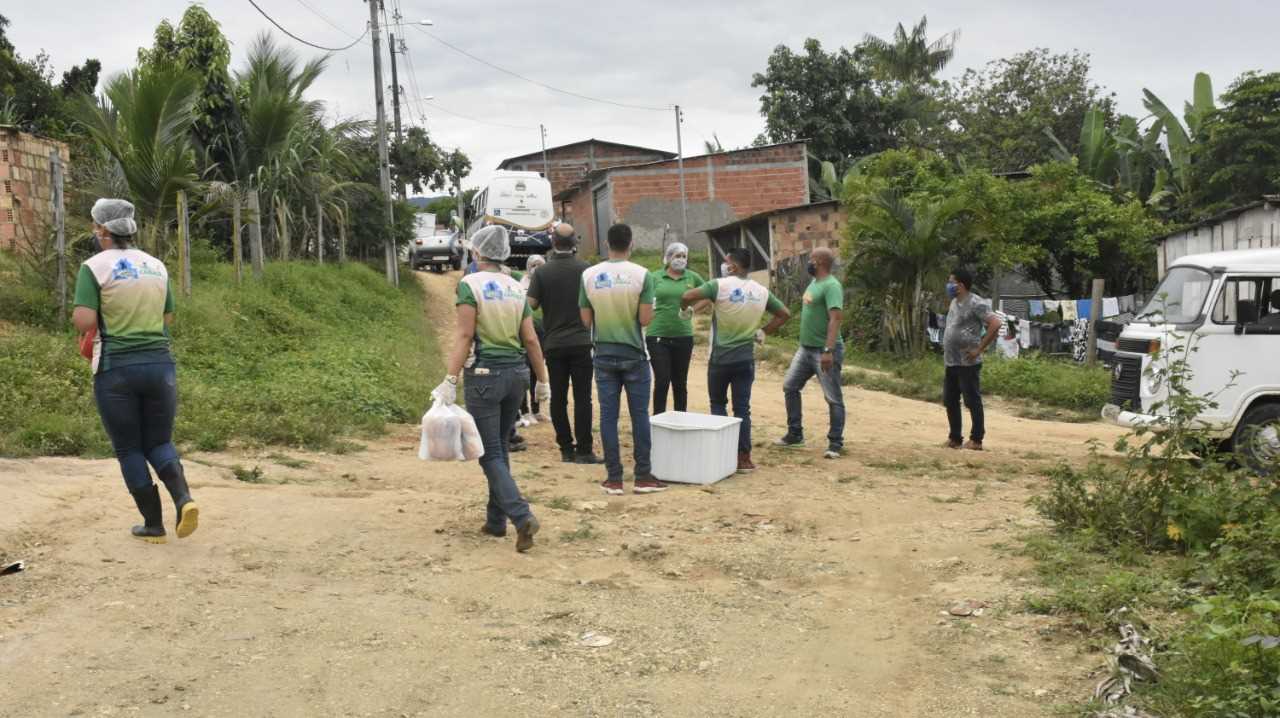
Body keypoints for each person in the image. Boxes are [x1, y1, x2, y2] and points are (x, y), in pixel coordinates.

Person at [71, 199, 198, 544]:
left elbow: (85, 321)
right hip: (160, 366)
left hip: (117, 369)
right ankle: (184, 499)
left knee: (129, 449)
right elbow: (167, 317)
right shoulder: (156, 265)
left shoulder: (93, 267)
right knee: (159, 440)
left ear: (102, 230)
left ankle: (153, 525)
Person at [433, 225, 551, 552]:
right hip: (517, 376)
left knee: (488, 453)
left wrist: (450, 379)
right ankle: (495, 521)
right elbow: (530, 338)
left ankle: (520, 514)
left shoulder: (470, 285)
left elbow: (464, 335)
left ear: (478, 252)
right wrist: (542, 381)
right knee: (498, 446)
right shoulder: (515, 287)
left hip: (485, 376)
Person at [682, 248, 790, 473]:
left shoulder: (719, 285)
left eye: (726, 261)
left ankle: (722, 456)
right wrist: (763, 331)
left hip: (720, 359)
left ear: (733, 266)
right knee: (742, 408)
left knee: (718, 404)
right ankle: (744, 458)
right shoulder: (760, 291)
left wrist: (684, 308)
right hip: (745, 359)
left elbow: (688, 296)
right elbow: (784, 314)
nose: (724, 264)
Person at [579, 223, 666, 495]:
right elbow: (644, 319)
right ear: (631, 244)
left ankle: (614, 478)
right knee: (639, 415)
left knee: (608, 416)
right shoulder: (643, 275)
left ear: (607, 243)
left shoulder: (589, 275)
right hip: (635, 354)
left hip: (603, 354)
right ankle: (643, 476)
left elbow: (585, 320)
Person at [527, 224, 602, 464]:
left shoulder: (542, 272)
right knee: (583, 398)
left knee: (558, 398)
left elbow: (531, 305)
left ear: (553, 242)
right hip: (582, 342)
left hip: (554, 343)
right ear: (574, 244)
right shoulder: (586, 270)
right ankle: (585, 450)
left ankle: (566, 449)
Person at [776, 247, 846, 459]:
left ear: (820, 262)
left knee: (832, 397)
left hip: (822, 351)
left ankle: (835, 443)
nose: (809, 262)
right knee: (790, 386)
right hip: (805, 349)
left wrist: (828, 350)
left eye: (811, 259)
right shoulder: (815, 283)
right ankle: (795, 434)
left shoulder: (832, 286)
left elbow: (835, 319)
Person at [942, 268, 1002, 450]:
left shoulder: (976, 302)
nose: (949, 285)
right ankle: (955, 438)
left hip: (968, 362)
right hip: (951, 361)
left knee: (972, 401)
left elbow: (995, 323)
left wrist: (979, 349)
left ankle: (976, 439)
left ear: (960, 285)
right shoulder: (954, 302)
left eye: (951, 282)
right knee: (950, 400)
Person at [646, 242, 704, 415]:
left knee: (680, 383)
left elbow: (709, 294)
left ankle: (681, 419)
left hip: (683, 336)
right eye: (677, 256)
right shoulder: (654, 277)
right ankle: (658, 420)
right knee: (662, 380)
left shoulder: (692, 277)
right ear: (668, 258)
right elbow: (642, 299)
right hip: (657, 336)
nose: (681, 259)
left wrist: (693, 310)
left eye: (684, 256)